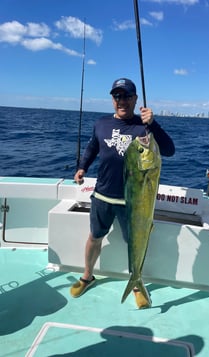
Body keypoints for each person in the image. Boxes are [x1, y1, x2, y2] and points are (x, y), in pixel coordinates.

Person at [70, 78, 175, 308]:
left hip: (134, 202)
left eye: (127, 96)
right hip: (102, 196)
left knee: (135, 243)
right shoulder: (101, 123)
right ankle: (87, 276)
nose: (122, 101)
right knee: (94, 237)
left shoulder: (144, 125)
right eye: (117, 96)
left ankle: (137, 283)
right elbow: (92, 148)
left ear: (135, 99)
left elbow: (169, 150)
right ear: (112, 99)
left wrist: (154, 124)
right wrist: (82, 167)